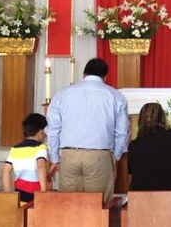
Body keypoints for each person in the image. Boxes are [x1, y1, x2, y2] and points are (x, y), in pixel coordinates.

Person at [45, 58, 130, 201]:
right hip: (99, 156)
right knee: (98, 206)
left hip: (69, 155)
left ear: (84, 74)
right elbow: (122, 132)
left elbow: (53, 129)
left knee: (70, 204)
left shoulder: (63, 94)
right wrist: (115, 157)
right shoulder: (115, 96)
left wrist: (54, 158)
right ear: (105, 76)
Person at [128, 103, 171, 191]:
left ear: (141, 121)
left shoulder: (134, 145)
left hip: (143, 201)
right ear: (162, 119)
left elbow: (131, 172)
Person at [2, 113, 48, 203]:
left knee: (22, 215)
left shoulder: (15, 149)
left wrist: (8, 194)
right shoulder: (40, 148)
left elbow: (6, 170)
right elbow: (41, 166)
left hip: (19, 193)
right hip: (36, 194)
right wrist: (43, 192)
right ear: (42, 132)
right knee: (34, 216)